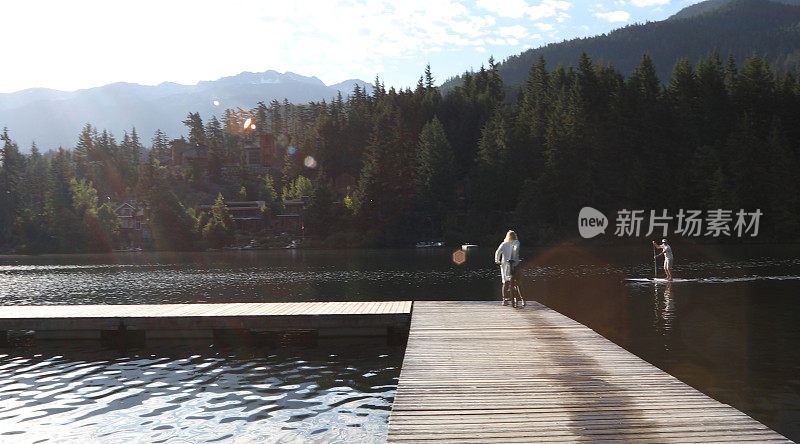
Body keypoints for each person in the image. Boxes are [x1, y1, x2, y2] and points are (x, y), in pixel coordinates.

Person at [495, 230, 524, 308]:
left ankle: (504, 300)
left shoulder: (504, 244)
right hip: (515, 264)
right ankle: (522, 300)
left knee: (505, 282)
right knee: (518, 282)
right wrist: (514, 257)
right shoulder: (516, 242)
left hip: (505, 265)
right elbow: (516, 249)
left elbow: (498, 252)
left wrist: (497, 261)